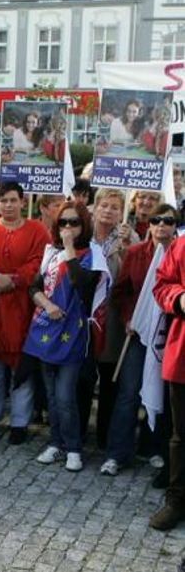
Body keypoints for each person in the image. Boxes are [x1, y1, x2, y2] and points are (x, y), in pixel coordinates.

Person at [0, 181, 51, 444]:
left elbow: (39, 263)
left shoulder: (37, 230)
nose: (7, 206)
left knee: (20, 363)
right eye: (2, 201)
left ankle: (19, 421)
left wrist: (13, 280)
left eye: (12, 200)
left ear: (22, 201)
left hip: (22, 305)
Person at [103, 204, 179, 478]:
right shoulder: (135, 254)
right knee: (128, 393)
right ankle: (116, 453)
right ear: (149, 224)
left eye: (168, 220)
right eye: (156, 220)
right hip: (137, 336)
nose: (161, 225)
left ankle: (156, 449)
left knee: (165, 395)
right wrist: (128, 319)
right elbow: (120, 292)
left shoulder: (180, 255)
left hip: (168, 338)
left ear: (175, 226)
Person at [25, 202, 101, 472]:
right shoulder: (51, 253)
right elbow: (33, 286)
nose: (68, 228)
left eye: (74, 222)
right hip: (48, 329)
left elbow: (80, 282)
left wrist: (69, 249)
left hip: (74, 334)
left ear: (84, 225)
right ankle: (56, 442)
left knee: (66, 394)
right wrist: (46, 304)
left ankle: (73, 448)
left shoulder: (93, 254)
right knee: (52, 395)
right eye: (63, 223)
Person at [80, 189, 138, 448]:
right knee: (82, 377)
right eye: (104, 205)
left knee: (109, 379)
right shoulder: (84, 233)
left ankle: (105, 436)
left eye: (115, 207)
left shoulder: (129, 238)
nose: (108, 211)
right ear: (95, 206)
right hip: (85, 315)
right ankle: (78, 432)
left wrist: (127, 249)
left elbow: (136, 276)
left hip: (113, 317)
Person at [149, 226, 185, 530]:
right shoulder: (183, 245)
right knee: (181, 435)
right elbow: (162, 284)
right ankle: (176, 500)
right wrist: (180, 299)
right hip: (184, 353)